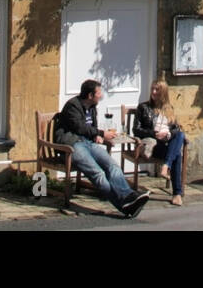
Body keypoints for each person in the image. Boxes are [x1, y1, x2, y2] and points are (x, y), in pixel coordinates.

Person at [54, 80, 150, 218]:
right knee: (98, 173)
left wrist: (96, 137)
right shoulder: (72, 106)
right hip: (72, 145)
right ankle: (124, 204)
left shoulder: (92, 106)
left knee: (113, 166)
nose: (101, 95)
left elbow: (91, 127)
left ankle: (129, 197)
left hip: (88, 143)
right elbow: (79, 127)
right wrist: (100, 134)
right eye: (99, 93)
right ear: (90, 95)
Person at [133, 79, 186, 206]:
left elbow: (175, 129)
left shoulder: (169, 109)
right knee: (177, 155)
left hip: (167, 144)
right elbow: (136, 130)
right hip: (154, 146)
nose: (153, 92)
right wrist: (154, 134)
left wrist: (167, 134)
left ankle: (166, 165)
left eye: (157, 90)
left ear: (164, 92)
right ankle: (177, 193)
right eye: (152, 89)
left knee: (180, 134)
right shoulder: (143, 107)